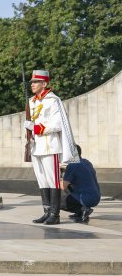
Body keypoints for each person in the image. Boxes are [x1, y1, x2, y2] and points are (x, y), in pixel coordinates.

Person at [23, 69, 79, 225]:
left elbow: (58, 124)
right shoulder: (32, 101)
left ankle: (55, 214)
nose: (32, 85)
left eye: (35, 82)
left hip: (50, 146)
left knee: (52, 180)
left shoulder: (53, 100)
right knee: (42, 180)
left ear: (44, 83)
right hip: (36, 146)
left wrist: (36, 128)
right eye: (32, 82)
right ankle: (46, 211)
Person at [62, 145, 100, 223]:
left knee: (57, 199)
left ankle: (82, 210)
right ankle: (80, 212)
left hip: (86, 199)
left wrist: (56, 177)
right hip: (96, 198)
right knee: (71, 187)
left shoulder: (72, 165)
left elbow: (63, 186)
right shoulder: (87, 162)